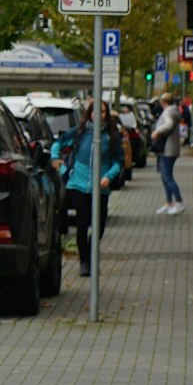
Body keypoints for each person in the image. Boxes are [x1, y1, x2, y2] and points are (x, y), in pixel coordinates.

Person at [53, 99, 125, 276]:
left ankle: (91, 253)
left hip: (100, 187)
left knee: (98, 227)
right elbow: (57, 144)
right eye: (95, 111)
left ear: (106, 115)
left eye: (102, 112)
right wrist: (60, 165)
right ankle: (85, 262)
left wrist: (108, 176)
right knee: (82, 223)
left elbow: (118, 161)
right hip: (78, 184)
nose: (98, 115)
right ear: (90, 113)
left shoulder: (111, 136)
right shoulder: (79, 132)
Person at [150, 101, 185, 215]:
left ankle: (178, 202)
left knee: (167, 177)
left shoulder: (168, 113)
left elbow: (168, 125)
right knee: (165, 177)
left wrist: (157, 132)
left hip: (167, 150)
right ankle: (169, 202)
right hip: (168, 149)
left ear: (163, 102)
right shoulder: (173, 112)